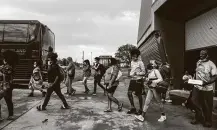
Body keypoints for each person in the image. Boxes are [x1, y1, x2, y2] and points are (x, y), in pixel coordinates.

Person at [190, 49, 217, 128]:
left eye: (203, 54)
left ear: (207, 55)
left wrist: (205, 83)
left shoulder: (211, 64)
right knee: (194, 101)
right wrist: (192, 81)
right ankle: (198, 117)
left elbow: (215, 77)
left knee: (207, 105)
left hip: (207, 88)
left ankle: (208, 120)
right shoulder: (198, 62)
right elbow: (197, 73)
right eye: (200, 54)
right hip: (197, 86)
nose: (201, 55)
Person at [0, 50, 19, 120]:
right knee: (9, 101)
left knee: (8, 101)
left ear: (6, 59)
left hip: (4, 87)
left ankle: (1, 117)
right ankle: (11, 115)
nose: (3, 59)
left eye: (4, 58)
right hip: (9, 87)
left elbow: (2, 71)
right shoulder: (11, 67)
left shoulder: (7, 67)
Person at [127, 49, 146, 115]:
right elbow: (131, 69)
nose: (134, 58)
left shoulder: (140, 62)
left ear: (138, 56)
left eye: (135, 56)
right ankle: (133, 107)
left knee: (138, 94)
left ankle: (140, 109)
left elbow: (144, 72)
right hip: (132, 80)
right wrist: (130, 74)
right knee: (129, 93)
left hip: (138, 80)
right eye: (133, 56)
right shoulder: (131, 62)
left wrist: (137, 73)